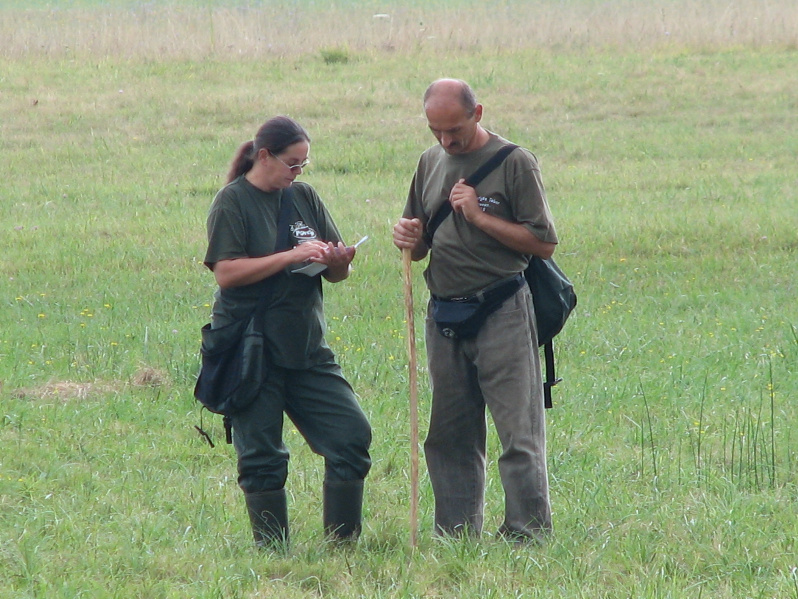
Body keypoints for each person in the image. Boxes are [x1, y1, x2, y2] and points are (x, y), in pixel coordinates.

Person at [392, 79, 559, 542]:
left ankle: (527, 536)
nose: (446, 142)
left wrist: (480, 216)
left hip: (501, 307)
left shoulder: (515, 163)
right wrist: (410, 239)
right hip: (443, 315)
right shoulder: (429, 162)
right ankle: (455, 534)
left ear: (478, 113)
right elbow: (422, 239)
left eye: (455, 131)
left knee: (518, 435)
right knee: (448, 434)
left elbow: (543, 244)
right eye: (435, 131)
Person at [203, 115, 372, 549]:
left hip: (306, 344)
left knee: (351, 435)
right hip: (251, 348)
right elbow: (226, 272)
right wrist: (289, 256)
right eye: (291, 164)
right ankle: (272, 551)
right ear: (264, 156)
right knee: (262, 456)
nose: (297, 173)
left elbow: (337, 275)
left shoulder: (304, 197)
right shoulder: (232, 202)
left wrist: (339, 262)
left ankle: (343, 543)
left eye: (303, 165)